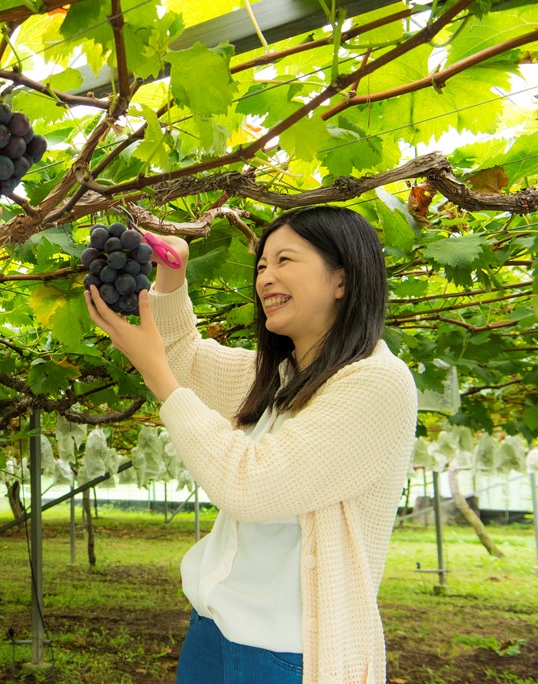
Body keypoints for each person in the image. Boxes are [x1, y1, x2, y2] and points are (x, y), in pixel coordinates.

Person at [85, 206, 417, 684]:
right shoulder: (283, 377)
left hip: (287, 657)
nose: (266, 277)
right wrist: (172, 278)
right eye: (262, 265)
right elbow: (186, 360)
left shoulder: (376, 383)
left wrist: (155, 373)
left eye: (285, 260)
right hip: (214, 632)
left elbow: (251, 484)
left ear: (342, 280)